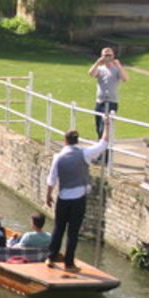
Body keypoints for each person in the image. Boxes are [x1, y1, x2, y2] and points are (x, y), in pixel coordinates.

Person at [45, 125, 109, 272]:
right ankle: (69, 263)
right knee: (73, 232)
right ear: (77, 141)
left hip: (63, 198)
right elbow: (103, 143)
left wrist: (48, 195)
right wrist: (107, 124)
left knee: (58, 227)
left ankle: (51, 256)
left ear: (65, 141)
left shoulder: (58, 157)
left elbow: (52, 179)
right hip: (79, 198)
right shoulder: (84, 154)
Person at [88, 46, 128, 139]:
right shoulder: (100, 68)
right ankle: (100, 148)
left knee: (106, 128)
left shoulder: (116, 69)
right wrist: (97, 62)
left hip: (111, 102)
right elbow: (91, 73)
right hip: (100, 102)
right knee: (98, 127)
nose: (107, 57)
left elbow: (125, 78)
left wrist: (119, 65)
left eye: (109, 55)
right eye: (105, 55)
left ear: (113, 56)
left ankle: (106, 151)